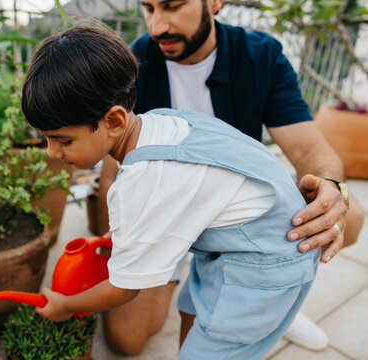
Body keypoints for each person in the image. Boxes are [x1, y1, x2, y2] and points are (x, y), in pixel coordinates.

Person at [22, 22, 321, 360]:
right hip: (242, 241)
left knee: (214, 348)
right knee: (192, 310)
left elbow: (124, 289)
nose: (51, 152)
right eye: (46, 138)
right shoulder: (159, 121)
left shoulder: (141, 180)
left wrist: (67, 305)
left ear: (115, 121)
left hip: (265, 260)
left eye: (63, 140)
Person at [94, 0, 365, 355]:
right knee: (124, 341)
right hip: (163, 211)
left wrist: (330, 186)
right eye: (148, 8)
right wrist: (118, 250)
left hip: (241, 218)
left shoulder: (260, 56)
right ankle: (205, 282)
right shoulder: (133, 63)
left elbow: (306, 148)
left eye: (172, 6)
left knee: (350, 213)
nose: (158, 25)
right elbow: (111, 176)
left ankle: (271, 297)